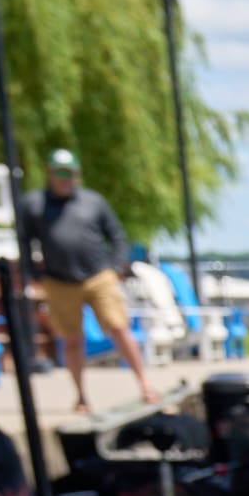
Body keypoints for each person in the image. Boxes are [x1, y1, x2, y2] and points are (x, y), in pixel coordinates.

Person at [28, 150, 160, 413]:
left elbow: (118, 237)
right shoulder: (34, 204)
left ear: (77, 174)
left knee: (119, 329)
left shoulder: (93, 202)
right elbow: (24, 242)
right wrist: (34, 275)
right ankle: (81, 397)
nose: (66, 179)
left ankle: (146, 385)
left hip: (99, 276)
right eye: (60, 173)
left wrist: (115, 267)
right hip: (58, 281)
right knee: (72, 339)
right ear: (50, 173)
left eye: (71, 173)